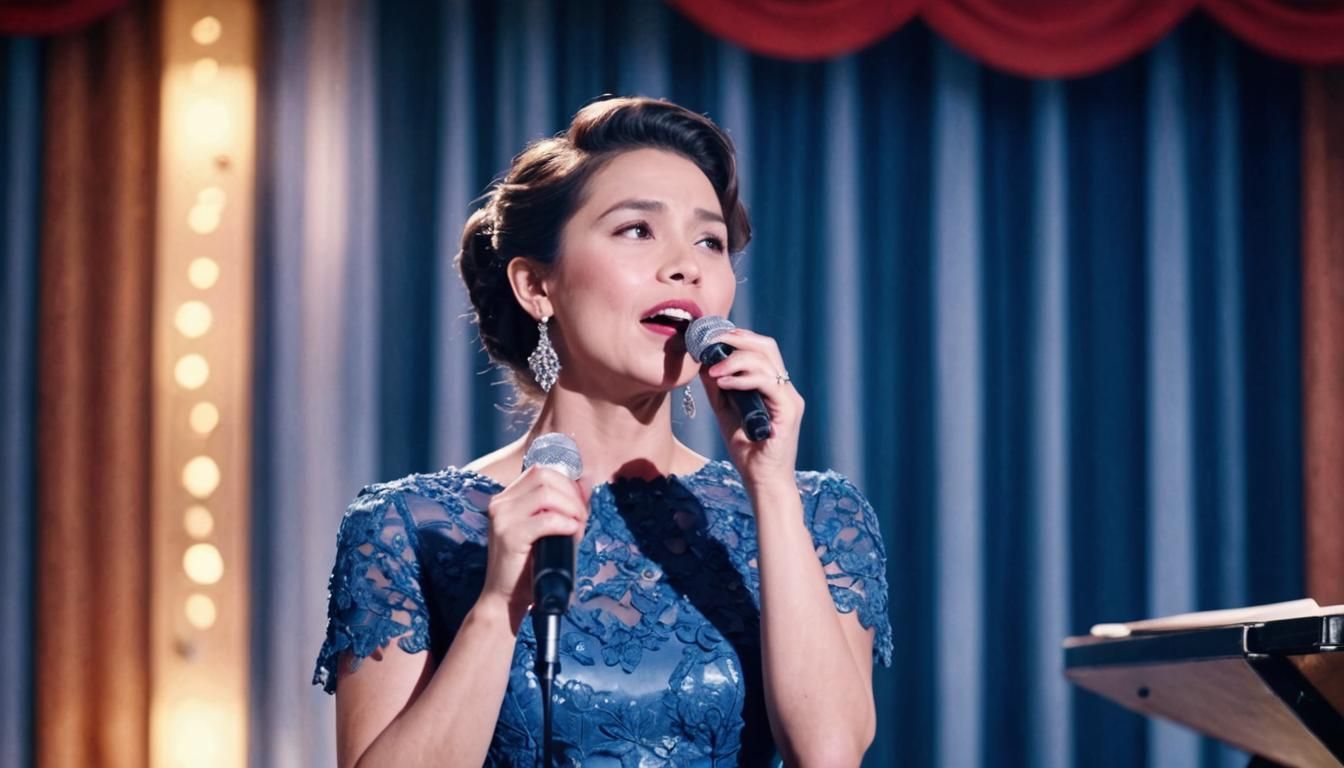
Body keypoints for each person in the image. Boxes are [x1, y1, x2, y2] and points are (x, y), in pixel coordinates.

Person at [312, 96, 893, 767]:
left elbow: (829, 753)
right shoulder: (411, 527)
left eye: (709, 240)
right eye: (637, 231)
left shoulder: (821, 515)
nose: (687, 265)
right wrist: (499, 605)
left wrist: (771, 487)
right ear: (537, 286)